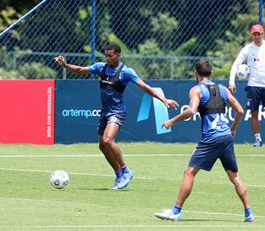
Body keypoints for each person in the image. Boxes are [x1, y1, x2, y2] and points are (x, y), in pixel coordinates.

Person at [55, 43, 178, 190]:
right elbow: (81, 70)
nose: (107, 58)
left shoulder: (126, 72)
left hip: (117, 111)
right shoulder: (101, 67)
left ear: (118, 55)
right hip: (105, 112)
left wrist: (163, 99)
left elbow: (144, 86)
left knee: (108, 140)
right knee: (102, 146)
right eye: (106, 55)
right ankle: (119, 174)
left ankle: (126, 171)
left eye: (110, 55)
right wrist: (65, 65)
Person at [154, 59, 254, 222]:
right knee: (235, 177)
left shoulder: (197, 90)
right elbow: (240, 110)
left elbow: (192, 111)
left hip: (211, 138)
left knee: (189, 173)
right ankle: (249, 213)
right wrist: (233, 128)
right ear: (212, 74)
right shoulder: (222, 89)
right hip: (226, 137)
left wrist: (172, 121)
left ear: (196, 73)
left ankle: (175, 212)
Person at [228, 23, 265, 147]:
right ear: (251, 34)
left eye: (258, 34)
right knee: (254, 113)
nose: (256, 36)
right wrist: (231, 82)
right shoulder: (247, 49)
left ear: (262, 34)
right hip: (253, 85)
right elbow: (236, 64)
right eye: (254, 34)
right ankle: (258, 139)